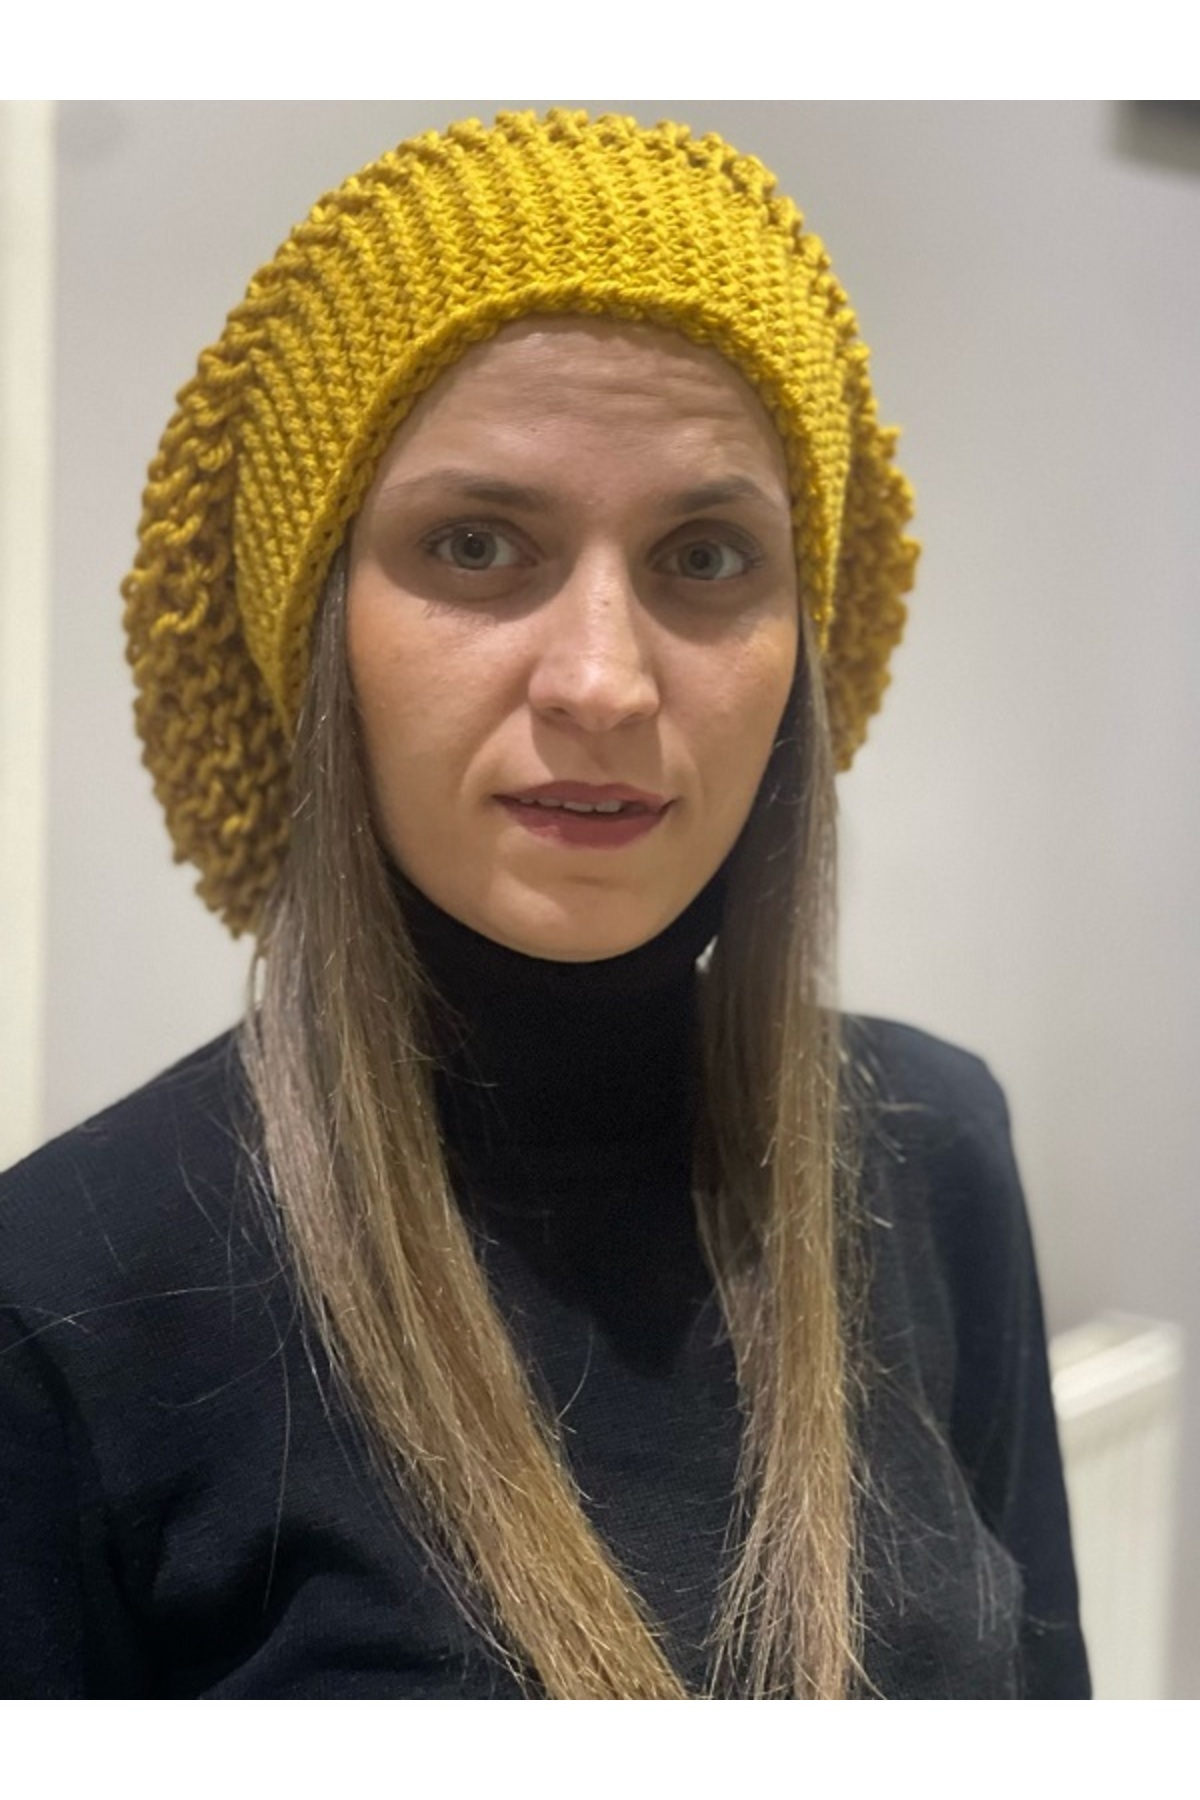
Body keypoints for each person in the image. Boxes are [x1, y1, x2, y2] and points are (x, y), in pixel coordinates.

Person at [0, 109, 1089, 1700]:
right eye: (477, 544)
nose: (603, 680)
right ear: (316, 627)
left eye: (705, 556)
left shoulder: (929, 1156)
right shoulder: (68, 1303)